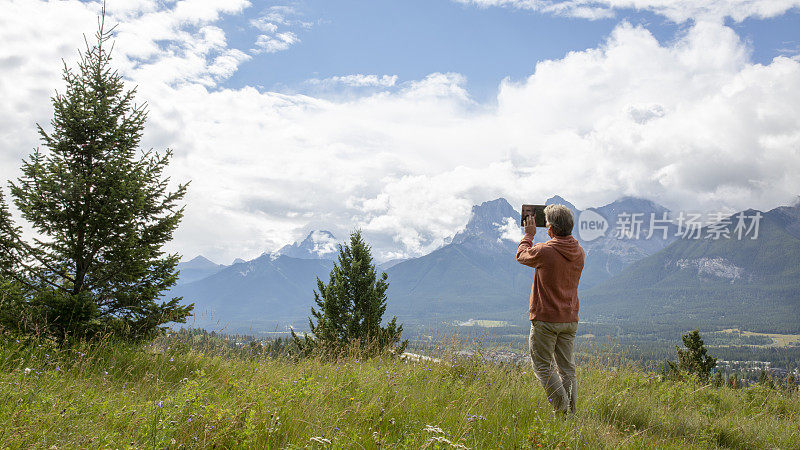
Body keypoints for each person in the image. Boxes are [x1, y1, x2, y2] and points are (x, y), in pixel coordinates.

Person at [516, 204, 585, 416]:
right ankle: (571, 414)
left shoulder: (545, 251)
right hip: (570, 319)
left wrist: (528, 235)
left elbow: (521, 255)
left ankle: (562, 410)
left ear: (551, 230)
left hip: (546, 319)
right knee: (567, 369)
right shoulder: (580, 252)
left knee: (543, 367)